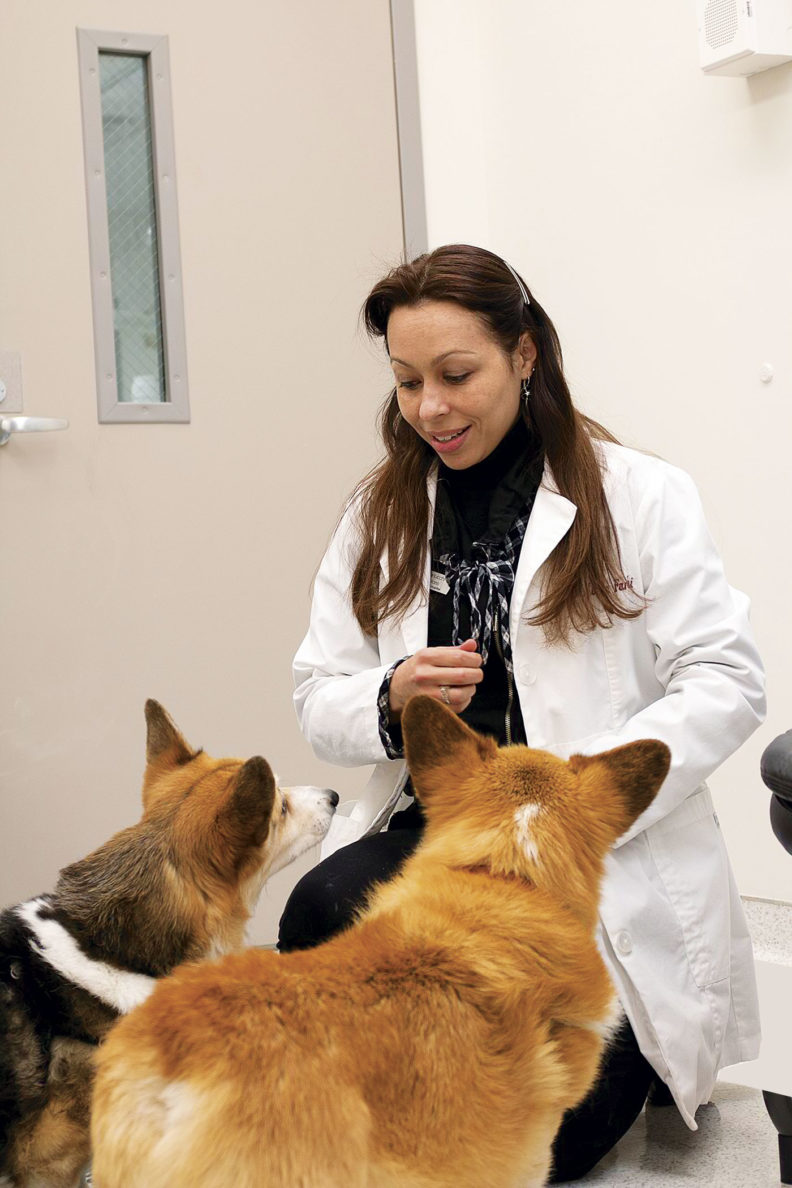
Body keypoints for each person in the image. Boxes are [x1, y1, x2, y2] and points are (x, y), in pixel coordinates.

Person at [279, 244, 766, 1182]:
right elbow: (316, 692)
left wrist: (581, 787)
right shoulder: (380, 513)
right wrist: (391, 700)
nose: (431, 407)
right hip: (445, 834)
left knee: (545, 1139)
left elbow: (726, 677)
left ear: (526, 354)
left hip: (584, 856)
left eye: (457, 375)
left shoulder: (638, 497)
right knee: (326, 908)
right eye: (408, 380)